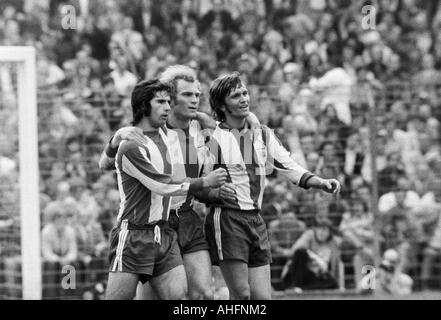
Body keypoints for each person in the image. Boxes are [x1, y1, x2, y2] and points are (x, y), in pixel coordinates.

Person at [99, 65, 258, 300]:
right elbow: (107, 164)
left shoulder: (201, 130)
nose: (194, 100)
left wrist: (216, 192)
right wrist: (115, 139)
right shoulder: (149, 133)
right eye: (187, 94)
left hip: (186, 217)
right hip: (147, 223)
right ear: (170, 99)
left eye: (197, 95)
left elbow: (241, 151)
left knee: (202, 294)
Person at [203, 72, 341, 300]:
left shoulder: (263, 134)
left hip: (256, 220)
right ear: (221, 104)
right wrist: (213, 192)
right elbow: (198, 184)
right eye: (236, 95)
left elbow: (290, 166)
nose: (244, 98)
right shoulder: (212, 137)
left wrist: (321, 182)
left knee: (263, 298)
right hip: (227, 218)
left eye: (245, 93)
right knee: (242, 295)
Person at [281, 219, 342, 292]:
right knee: (301, 253)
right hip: (298, 274)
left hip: (316, 275)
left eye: (324, 230)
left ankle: (302, 289)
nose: (321, 232)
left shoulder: (333, 242)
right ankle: (296, 286)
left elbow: (335, 265)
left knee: (333, 283)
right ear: (315, 230)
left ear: (330, 232)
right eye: (319, 229)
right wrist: (316, 258)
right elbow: (294, 251)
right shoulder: (309, 235)